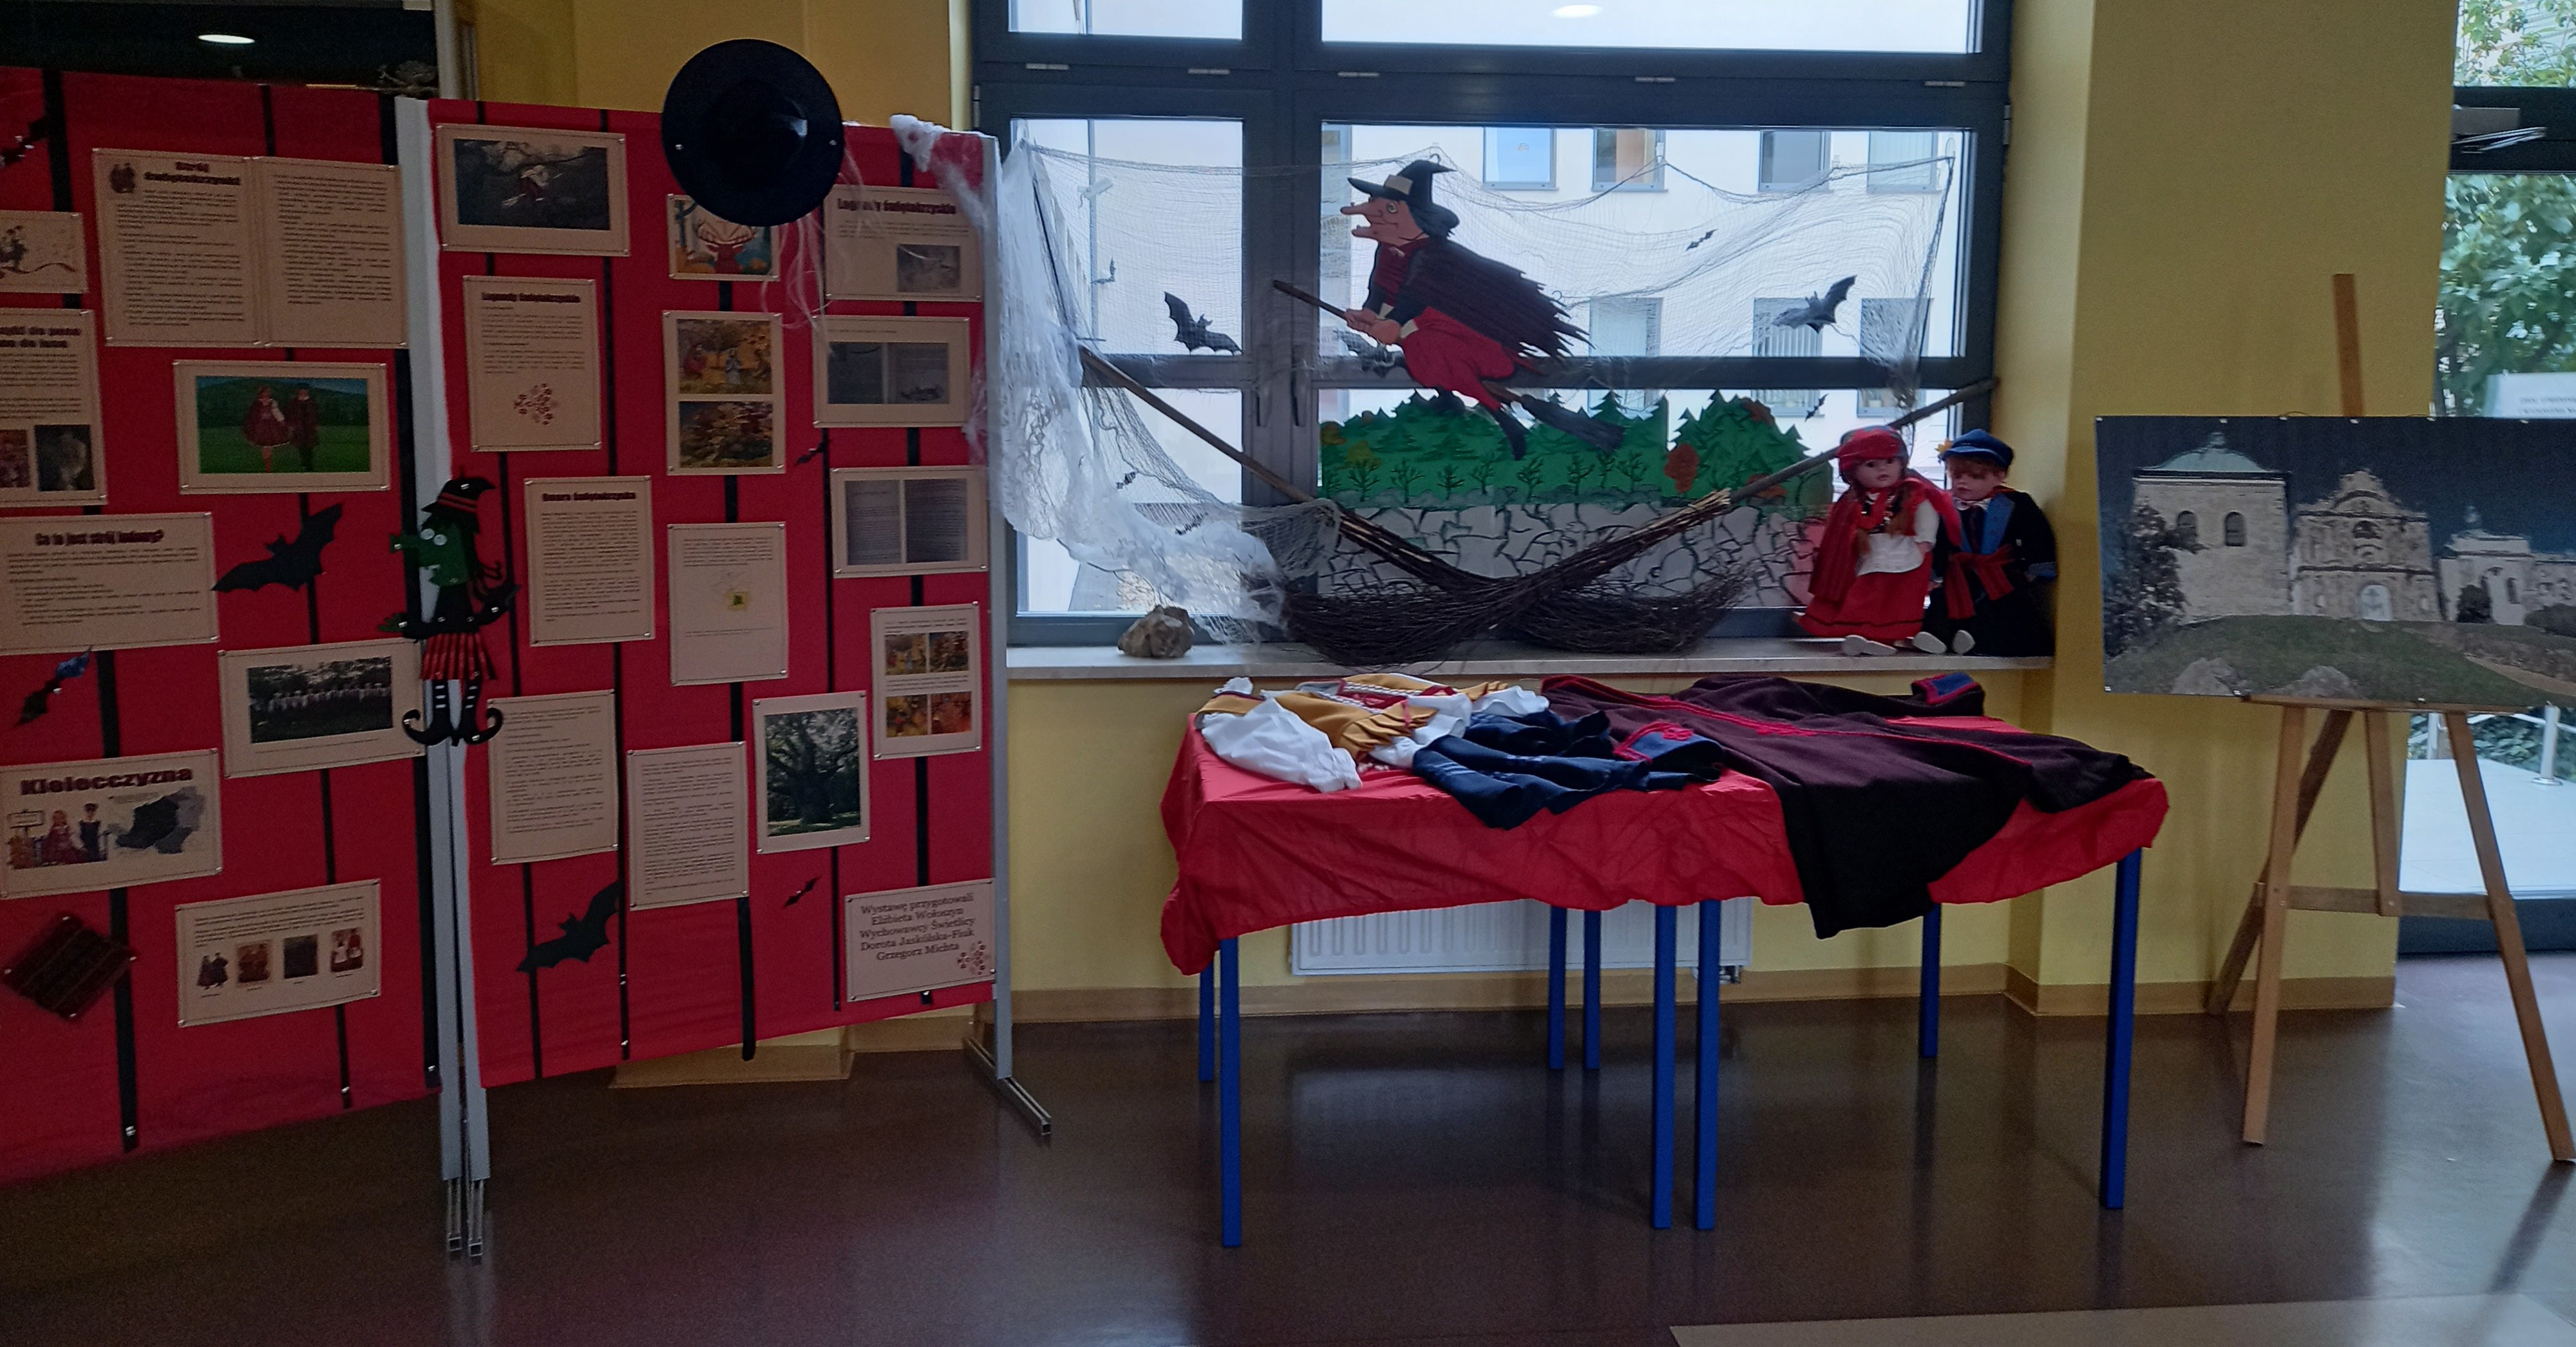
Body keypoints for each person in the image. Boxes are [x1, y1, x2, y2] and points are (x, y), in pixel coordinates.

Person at [1339, 161, 1584, 457]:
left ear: (1415, 217)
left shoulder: (1432, 255)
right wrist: (1368, 315)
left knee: (1431, 351)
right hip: (1413, 331)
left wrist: (1392, 322)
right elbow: (1378, 290)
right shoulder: (1387, 250)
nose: (1375, 214)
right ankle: (1461, 402)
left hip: (1456, 334)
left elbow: (1416, 296)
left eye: (1391, 209)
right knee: (1424, 353)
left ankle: (1500, 415)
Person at [1797, 426, 1960, 654]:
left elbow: (1927, 515)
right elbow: (1844, 531)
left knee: (1901, 599)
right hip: (1872, 554)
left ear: (1901, 463)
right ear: (1854, 471)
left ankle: (1893, 636)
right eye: (1871, 465)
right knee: (1865, 596)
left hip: (1908, 554)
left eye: (1890, 462)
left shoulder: (1915, 491)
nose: (1882, 469)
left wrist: (1923, 545)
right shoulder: (1853, 500)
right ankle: (1867, 634)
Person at [1924, 430, 2058, 656]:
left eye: (1975, 477)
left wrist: (2036, 568)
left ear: (1999, 476)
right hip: (1959, 573)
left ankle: (1980, 640)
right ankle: (1939, 635)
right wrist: (1934, 574)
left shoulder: (2017, 503)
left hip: (2000, 573)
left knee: (2003, 607)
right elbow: (1940, 543)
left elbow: (2037, 534)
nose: (1963, 482)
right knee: (1946, 603)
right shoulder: (1944, 505)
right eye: (1957, 476)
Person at [241, 384, 289, 473]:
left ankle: (268, 466)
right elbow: (253, 415)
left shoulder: (272, 402)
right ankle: (267, 465)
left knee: (269, 445)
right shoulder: (257, 403)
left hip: (271, 426)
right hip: (260, 426)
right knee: (264, 445)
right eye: (265, 392)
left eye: (268, 392)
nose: (266, 394)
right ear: (261, 393)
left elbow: (276, 412)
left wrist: (281, 421)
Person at [284, 385, 323, 471]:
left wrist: (317, 424)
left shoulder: (312, 402)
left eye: (305, 390)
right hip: (299, 427)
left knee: (310, 445)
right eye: (301, 390)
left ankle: (308, 463)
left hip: (309, 427)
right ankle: (305, 462)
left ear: (307, 391)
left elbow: (316, 413)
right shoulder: (294, 402)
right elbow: (290, 414)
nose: (303, 392)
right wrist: (291, 425)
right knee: (301, 445)